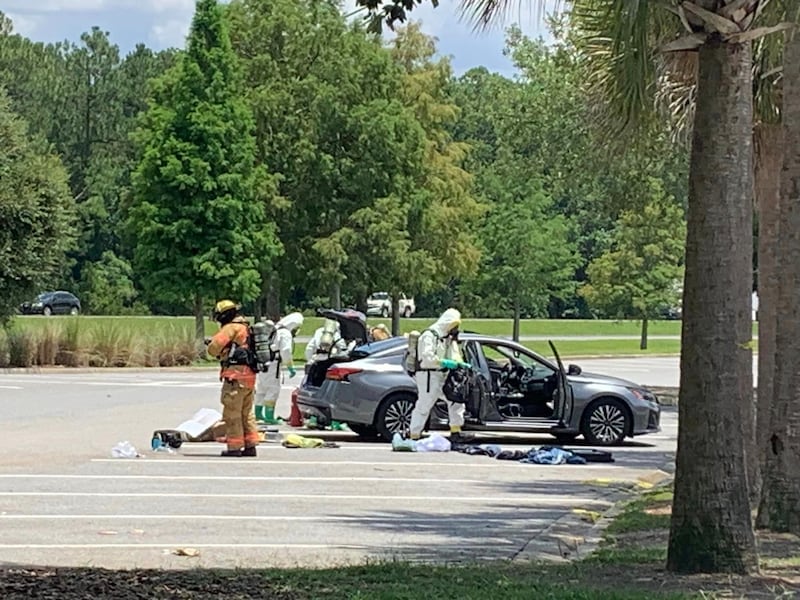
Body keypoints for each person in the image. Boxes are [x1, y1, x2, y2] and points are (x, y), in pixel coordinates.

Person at [408, 308, 471, 443]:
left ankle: (455, 431)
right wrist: (445, 362)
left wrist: (459, 363)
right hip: (429, 375)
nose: (456, 328)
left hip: (443, 375)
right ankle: (414, 434)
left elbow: (453, 354)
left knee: (455, 401)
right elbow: (427, 358)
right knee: (424, 405)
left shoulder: (446, 337)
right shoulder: (429, 336)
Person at [206, 300, 259, 457]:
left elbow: (214, 348)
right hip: (249, 378)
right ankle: (250, 446)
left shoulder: (231, 328)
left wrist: (212, 347)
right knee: (247, 414)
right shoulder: (245, 327)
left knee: (232, 413)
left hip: (235, 377)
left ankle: (234, 447)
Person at [255, 311, 304, 424]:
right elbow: (285, 351)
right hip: (274, 365)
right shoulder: (285, 333)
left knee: (262, 389)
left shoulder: (274, 330)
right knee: (273, 390)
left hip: (263, 363)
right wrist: (290, 367)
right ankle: (269, 417)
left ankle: (258, 414)